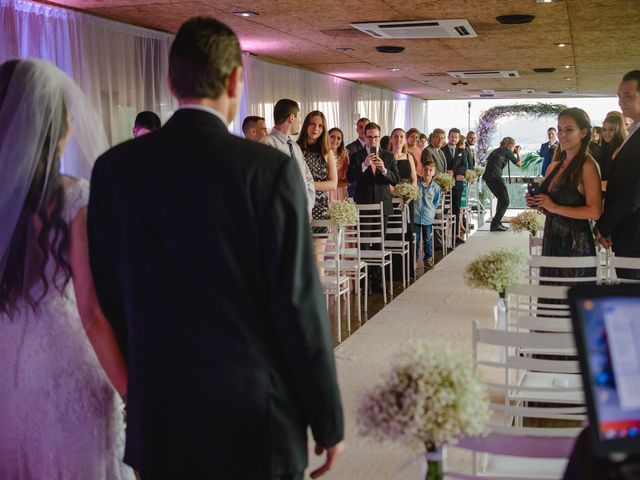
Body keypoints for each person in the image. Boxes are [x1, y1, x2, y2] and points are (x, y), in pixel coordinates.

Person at [87, 17, 344, 479]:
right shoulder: (267, 169)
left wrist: (140, 392)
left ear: (170, 79)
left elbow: (106, 300)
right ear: (234, 81)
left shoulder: (114, 170)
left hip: (161, 412)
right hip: (253, 411)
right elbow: (297, 302)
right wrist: (326, 417)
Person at [0, 58, 131, 478]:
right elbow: (92, 314)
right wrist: (133, 393)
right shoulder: (77, 199)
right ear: (59, 127)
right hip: (65, 367)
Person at [527, 108, 602, 280]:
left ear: (583, 132)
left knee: (572, 302)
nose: (562, 135)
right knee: (550, 300)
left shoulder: (588, 165)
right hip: (552, 238)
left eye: (569, 129)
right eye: (560, 129)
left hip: (576, 244)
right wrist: (538, 203)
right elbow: (550, 208)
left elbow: (594, 212)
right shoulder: (556, 165)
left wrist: (553, 206)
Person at [347, 121, 400, 292]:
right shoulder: (356, 156)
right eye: (369, 137)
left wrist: (384, 169)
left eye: (376, 137)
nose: (373, 141)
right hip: (363, 205)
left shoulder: (389, 156)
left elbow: (395, 179)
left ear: (379, 136)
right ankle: (365, 283)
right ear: (364, 136)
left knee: (379, 245)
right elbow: (351, 177)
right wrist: (364, 165)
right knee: (364, 245)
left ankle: (378, 282)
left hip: (383, 204)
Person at [595, 70, 640, 266]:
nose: (621, 101)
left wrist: (604, 226)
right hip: (627, 230)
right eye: (619, 96)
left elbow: (633, 193)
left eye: (628, 96)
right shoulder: (634, 132)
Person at [297, 111, 338, 265]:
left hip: (320, 208)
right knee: (299, 257)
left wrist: (308, 184)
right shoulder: (296, 148)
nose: (316, 128)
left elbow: (333, 184)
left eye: (320, 126)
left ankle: (318, 289)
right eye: (313, 124)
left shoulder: (326, 152)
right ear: (306, 125)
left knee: (317, 258)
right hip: (299, 205)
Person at [263, 99, 316, 217]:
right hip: (278, 214)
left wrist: (307, 208)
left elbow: (307, 179)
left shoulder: (295, 147)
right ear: (292, 118)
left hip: (301, 213)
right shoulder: (266, 144)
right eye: (299, 119)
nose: (300, 123)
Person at [482, 137, 522, 232]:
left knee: (501, 199)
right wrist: (518, 152)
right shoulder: (507, 151)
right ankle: (495, 223)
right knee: (505, 201)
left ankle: (497, 223)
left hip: (489, 179)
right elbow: (519, 164)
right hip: (495, 178)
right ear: (510, 145)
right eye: (513, 146)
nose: (514, 149)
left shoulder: (497, 150)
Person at [441, 128, 467, 244]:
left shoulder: (462, 151)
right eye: (452, 137)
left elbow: (464, 167)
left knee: (456, 210)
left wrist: (454, 172)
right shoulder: (441, 150)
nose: (454, 139)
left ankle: (456, 235)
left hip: (457, 184)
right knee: (443, 210)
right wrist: (448, 172)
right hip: (444, 184)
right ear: (448, 137)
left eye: (456, 137)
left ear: (459, 138)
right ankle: (442, 237)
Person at [414, 160, 441, 270]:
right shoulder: (416, 184)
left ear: (434, 172)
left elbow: (436, 201)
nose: (428, 172)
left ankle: (428, 258)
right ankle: (415, 259)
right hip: (416, 216)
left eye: (430, 170)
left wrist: (431, 210)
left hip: (427, 217)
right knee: (415, 239)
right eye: (426, 170)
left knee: (428, 239)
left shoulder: (436, 187)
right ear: (422, 170)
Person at [598, 111, 627, 188]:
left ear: (618, 130)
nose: (606, 133)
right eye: (604, 129)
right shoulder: (607, 148)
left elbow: (621, 182)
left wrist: (593, 185)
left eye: (611, 130)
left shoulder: (620, 150)